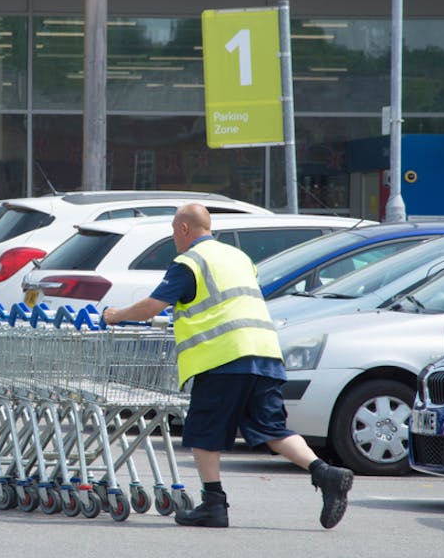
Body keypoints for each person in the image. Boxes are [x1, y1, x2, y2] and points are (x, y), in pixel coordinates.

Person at [102, 203, 353, 530]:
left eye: (174, 233)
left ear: (183, 229)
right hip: (264, 353)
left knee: (204, 432)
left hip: (222, 359)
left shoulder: (189, 262)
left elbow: (153, 304)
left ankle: (213, 505)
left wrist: (115, 315)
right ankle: (325, 472)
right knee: (272, 429)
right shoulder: (239, 258)